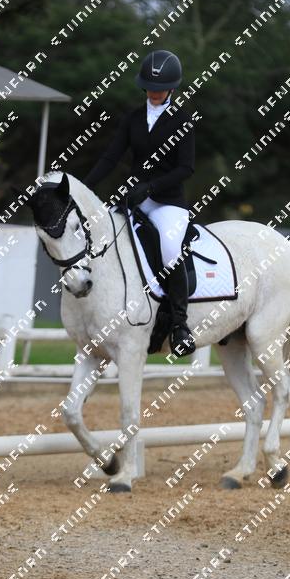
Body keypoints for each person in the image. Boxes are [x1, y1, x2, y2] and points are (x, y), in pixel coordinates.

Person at [84, 49, 196, 357]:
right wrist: (83, 187)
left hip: (167, 202)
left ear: (172, 89)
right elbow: (111, 158)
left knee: (170, 249)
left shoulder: (182, 120)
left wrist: (151, 187)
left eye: (160, 88)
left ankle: (179, 324)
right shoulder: (133, 119)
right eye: (149, 87)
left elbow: (186, 168)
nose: (154, 93)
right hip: (134, 199)